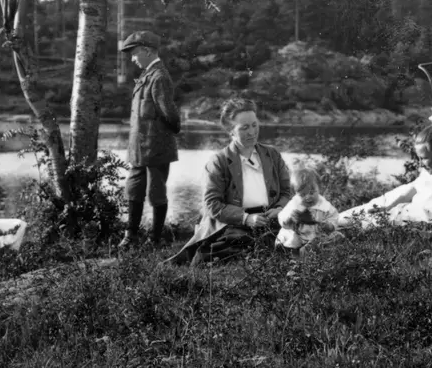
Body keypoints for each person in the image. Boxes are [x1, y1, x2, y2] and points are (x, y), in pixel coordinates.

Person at [168, 96, 291, 267]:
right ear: (231, 131)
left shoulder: (272, 154)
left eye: (255, 125)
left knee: (296, 235)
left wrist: (279, 209)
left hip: (270, 218)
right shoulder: (218, 161)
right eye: (244, 128)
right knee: (237, 243)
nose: (252, 132)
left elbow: (286, 192)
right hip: (233, 223)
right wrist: (246, 218)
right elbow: (212, 205)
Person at [337, 123, 432, 230]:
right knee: (346, 217)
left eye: (425, 158)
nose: (420, 164)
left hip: (406, 221)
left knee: (345, 223)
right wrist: (388, 207)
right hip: (399, 210)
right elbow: (414, 189)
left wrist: (425, 233)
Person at [119, 30, 181, 249]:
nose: (132, 58)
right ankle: (130, 236)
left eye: (134, 53)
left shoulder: (159, 77)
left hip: (155, 148)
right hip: (138, 149)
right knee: (133, 190)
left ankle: (154, 239)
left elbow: (169, 113)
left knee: (156, 192)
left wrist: (166, 136)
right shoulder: (147, 75)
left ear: (147, 51)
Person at [275, 165, 341, 253]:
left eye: (312, 192)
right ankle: (288, 252)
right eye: (302, 194)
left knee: (335, 236)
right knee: (288, 238)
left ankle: (307, 252)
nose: (308, 197)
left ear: (319, 188)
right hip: (296, 236)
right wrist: (289, 218)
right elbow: (282, 218)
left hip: (316, 236)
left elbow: (334, 216)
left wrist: (329, 225)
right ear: (295, 193)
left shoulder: (324, 206)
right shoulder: (294, 204)